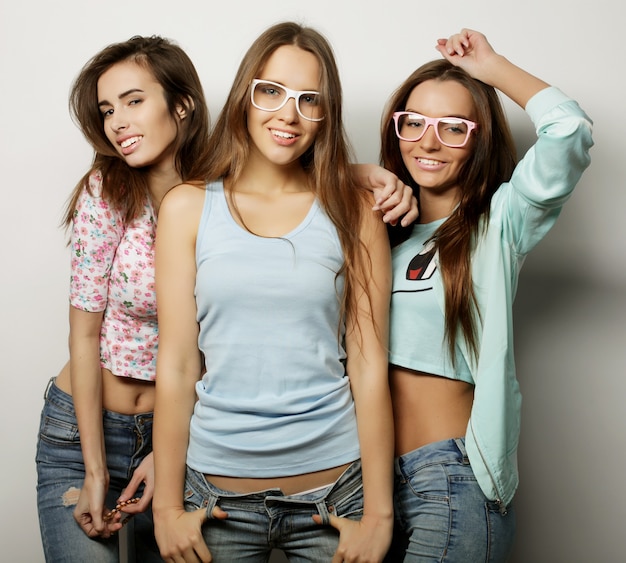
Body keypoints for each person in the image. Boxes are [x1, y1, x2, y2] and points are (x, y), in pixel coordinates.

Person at [152, 21, 394, 563]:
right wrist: (166, 510)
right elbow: (176, 364)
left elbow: (369, 361)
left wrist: (380, 513)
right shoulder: (188, 207)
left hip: (338, 499)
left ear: (326, 115)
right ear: (245, 95)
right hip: (214, 498)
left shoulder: (353, 211)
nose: (289, 113)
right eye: (272, 91)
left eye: (310, 99)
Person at [380, 29, 593, 561]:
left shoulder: (499, 221)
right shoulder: (373, 232)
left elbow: (569, 130)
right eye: (416, 123)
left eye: (454, 128)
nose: (429, 143)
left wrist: (492, 67)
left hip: (451, 479)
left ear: (479, 138)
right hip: (367, 484)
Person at [35, 35, 211, 562]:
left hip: (184, 435)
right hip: (85, 434)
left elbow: (223, 342)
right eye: (108, 109)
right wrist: (95, 471)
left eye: (134, 101)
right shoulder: (106, 191)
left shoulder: (227, 197)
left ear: (182, 105)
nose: (117, 122)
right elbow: (83, 335)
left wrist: (168, 450)